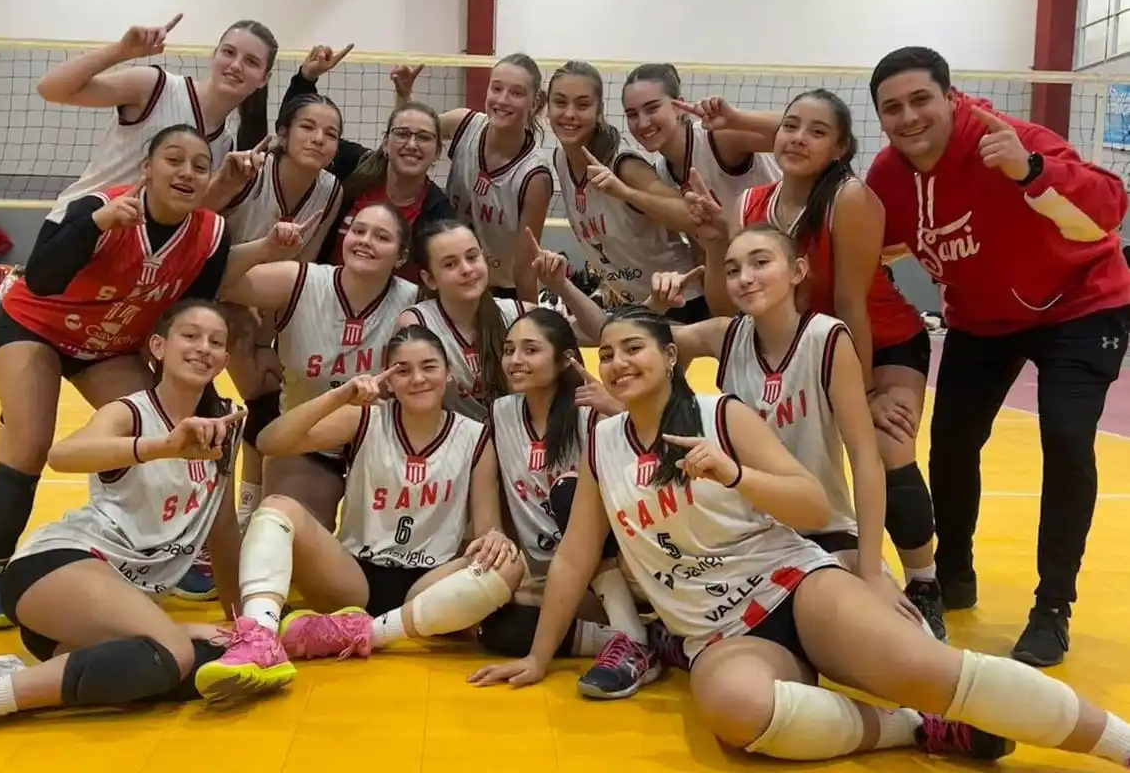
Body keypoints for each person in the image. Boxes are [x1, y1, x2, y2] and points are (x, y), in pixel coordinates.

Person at [469, 305, 1130, 770]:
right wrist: (537, 656)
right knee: (736, 715)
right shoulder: (600, 443)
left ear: (670, 357)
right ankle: (911, 729)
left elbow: (811, 501)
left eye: (632, 348)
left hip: (790, 584)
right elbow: (578, 556)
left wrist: (732, 470)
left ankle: (1118, 744)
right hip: (716, 633)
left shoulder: (720, 414)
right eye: (605, 354)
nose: (616, 363)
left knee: (928, 669)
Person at [0, 125, 318, 630]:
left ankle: (170, 548)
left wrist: (264, 255)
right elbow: (42, 276)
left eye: (200, 166)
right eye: (173, 160)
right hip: (39, 326)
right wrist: (95, 223)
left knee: (180, 425)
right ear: (146, 169)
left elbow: (199, 292)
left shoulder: (207, 232)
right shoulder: (100, 204)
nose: (186, 172)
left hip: (109, 343)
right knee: (28, 444)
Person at [866, 46, 1130, 667]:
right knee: (952, 442)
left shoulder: (1008, 139)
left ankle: (1052, 609)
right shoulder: (886, 178)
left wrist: (1031, 170)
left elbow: (1111, 207)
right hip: (985, 319)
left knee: (1067, 437)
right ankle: (952, 573)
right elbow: (866, 242)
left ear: (951, 98)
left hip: (1080, 303)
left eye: (921, 100)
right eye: (892, 108)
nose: (908, 118)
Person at [0, 301, 296, 741]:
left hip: (111, 613)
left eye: (215, 342)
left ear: (225, 359)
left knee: (214, 668)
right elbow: (62, 455)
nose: (203, 348)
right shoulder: (129, 412)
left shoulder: (223, 423)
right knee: (171, 652)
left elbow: (222, 528)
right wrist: (162, 446)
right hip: (57, 568)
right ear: (158, 346)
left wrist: (241, 622)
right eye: (190, 336)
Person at [703, 88, 944, 639]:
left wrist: (860, 397)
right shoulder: (753, 205)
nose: (798, 139)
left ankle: (923, 580)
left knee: (887, 446)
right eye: (790, 126)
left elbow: (853, 304)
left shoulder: (850, 199)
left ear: (839, 150)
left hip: (879, 341)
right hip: (806, 345)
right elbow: (732, 304)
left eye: (817, 132)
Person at [194, 326, 524, 681]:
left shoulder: (474, 436)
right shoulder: (365, 417)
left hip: (428, 585)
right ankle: (259, 638)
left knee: (509, 563)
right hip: (352, 579)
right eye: (402, 370)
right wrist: (340, 397)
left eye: (429, 367)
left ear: (449, 373)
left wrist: (496, 538)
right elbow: (271, 441)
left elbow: (488, 527)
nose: (417, 379)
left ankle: (368, 634)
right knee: (278, 506)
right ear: (388, 380)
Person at [647, 223, 926, 636]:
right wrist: (654, 307)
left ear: (797, 271)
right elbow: (641, 342)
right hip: (744, 535)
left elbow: (866, 460)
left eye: (760, 263)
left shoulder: (826, 338)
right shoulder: (725, 335)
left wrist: (870, 571)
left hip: (823, 528)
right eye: (732, 269)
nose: (745, 278)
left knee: (892, 635)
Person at [185, 92, 345, 598]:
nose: (319, 139)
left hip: (256, 304)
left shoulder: (331, 190)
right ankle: (205, 536)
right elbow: (192, 225)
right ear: (282, 132)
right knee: (228, 408)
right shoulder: (250, 173)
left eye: (330, 133)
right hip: (197, 292)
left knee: (263, 400)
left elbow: (300, 271)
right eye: (308, 128)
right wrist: (222, 182)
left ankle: (242, 521)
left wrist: (271, 334)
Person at [481, 308, 657, 699]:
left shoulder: (591, 409)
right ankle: (645, 638)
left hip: (612, 564)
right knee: (498, 628)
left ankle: (630, 634)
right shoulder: (500, 413)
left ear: (565, 360)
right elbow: (490, 497)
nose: (515, 360)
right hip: (548, 575)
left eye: (530, 350)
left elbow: (652, 466)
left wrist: (619, 411)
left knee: (568, 490)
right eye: (509, 350)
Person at [222, 202, 419, 530]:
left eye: (381, 236)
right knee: (290, 537)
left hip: (378, 449)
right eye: (358, 230)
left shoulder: (414, 302)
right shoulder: (300, 280)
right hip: (307, 442)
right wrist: (265, 248)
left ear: (400, 256)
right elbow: (217, 280)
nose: (365, 240)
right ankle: (249, 494)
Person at [35, 15, 277, 226]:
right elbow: (50, 89)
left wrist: (227, 186)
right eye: (229, 52)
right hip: (76, 228)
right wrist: (122, 50)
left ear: (263, 79)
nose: (236, 65)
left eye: (251, 61)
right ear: (215, 54)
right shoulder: (155, 86)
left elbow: (186, 213)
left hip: (132, 255)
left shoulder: (225, 148)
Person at [546, 60, 707, 320]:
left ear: (599, 111)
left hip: (680, 301)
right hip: (636, 305)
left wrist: (625, 192)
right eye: (560, 102)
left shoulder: (624, 165)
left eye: (583, 104)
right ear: (547, 107)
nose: (570, 114)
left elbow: (692, 216)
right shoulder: (560, 160)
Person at [280, 45, 457, 278]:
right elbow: (296, 130)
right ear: (385, 144)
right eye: (402, 135)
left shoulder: (438, 212)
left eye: (424, 137)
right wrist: (307, 77)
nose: (412, 144)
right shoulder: (358, 167)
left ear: (437, 152)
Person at [391, 54, 553, 301]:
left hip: (499, 292)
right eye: (496, 88)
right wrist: (404, 96)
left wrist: (528, 324)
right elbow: (413, 134)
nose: (502, 99)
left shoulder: (534, 177)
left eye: (516, 93)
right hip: (450, 277)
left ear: (536, 102)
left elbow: (524, 268)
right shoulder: (464, 123)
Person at [396, 220, 531, 421]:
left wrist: (561, 284)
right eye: (450, 264)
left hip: (513, 441)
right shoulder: (417, 324)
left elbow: (591, 332)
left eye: (472, 257)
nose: (466, 269)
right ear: (429, 279)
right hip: (450, 444)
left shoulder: (516, 313)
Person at [622, 63, 781, 225]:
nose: (642, 123)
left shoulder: (717, 138)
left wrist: (736, 119)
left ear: (679, 106)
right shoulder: (662, 174)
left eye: (652, 108)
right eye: (632, 114)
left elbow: (798, 132)